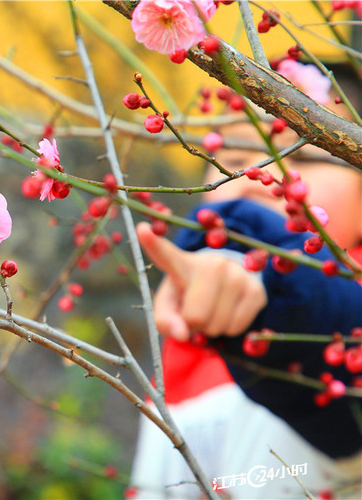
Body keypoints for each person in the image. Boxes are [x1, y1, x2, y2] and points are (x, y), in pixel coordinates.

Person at [128, 68, 362, 498]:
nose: (261, 179)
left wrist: (269, 302)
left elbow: (329, 316)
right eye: (234, 159)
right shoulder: (183, 329)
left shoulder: (346, 319)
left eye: (306, 153)